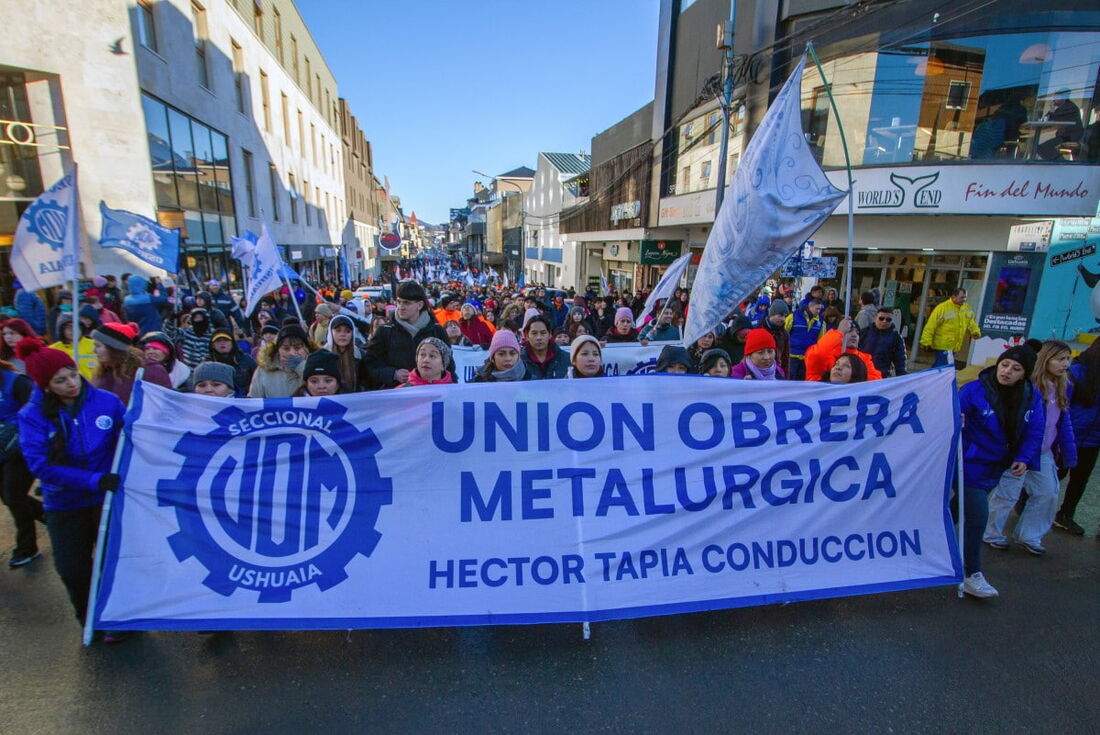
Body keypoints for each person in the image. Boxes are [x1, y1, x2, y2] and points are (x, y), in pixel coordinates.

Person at [15, 338, 124, 628]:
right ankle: (87, 617)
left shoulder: (107, 402)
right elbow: (40, 465)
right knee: (73, 569)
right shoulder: (32, 416)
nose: (71, 384)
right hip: (65, 503)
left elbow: (126, 442)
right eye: (60, 380)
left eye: (73, 374)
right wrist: (92, 480)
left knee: (112, 563)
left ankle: (117, 619)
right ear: (45, 385)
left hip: (106, 499)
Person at [957, 346, 1044, 598]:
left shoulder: (1031, 395)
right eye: (1004, 364)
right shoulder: (974, 390)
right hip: (968, 464)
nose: (1007, 371)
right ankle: (971, 574)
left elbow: (1035, 430)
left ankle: (926, 542)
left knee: (955, 509)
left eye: (1016, 369)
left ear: (1025, 374)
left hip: (996, 466)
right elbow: (951, 423)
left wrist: (1024, 458)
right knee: (977, 517)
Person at [985, 341, 1075, 555]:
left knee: (1048, 493)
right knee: (1007, 494)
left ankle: (1029, 535)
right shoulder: (1029, 386)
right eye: (1060, 359)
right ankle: (990, 532)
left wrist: (1068, 451)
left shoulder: (1063, 386)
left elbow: (1063, 422)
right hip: (1019, 450)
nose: (1065, 364)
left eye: (1067, 359)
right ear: (1046, 359)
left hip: (1043, 451)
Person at [365, 282, 451, 388]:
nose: (401, 307)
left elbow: (449, 365)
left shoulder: (437, 331)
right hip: (395, 398)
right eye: (399, 302)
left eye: (406, 303)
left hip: (431, 395)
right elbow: (369, 365)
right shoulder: (384, 331)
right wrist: (392, 374)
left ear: (419, 305)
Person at [1054, 339, 1100, 534]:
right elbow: (1061, 405)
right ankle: (1026, 502)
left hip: (1094, 438)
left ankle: (1066, 515)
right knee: (1056, 474)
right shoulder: (1076, 372)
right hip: (1070, 434)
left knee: (1080, 479)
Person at [0, 356, 41, 567]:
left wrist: (12, 430)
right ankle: (50, 517)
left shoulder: (16, 381)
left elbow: (35, 411)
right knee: (9, 498)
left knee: (13, 496)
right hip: (2, 451)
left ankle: (27, 548)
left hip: (20, 450)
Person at [91, 322, 172, 405]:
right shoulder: (103, 372)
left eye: (98, 346)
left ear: (113, 349)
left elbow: (165, 405)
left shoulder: (151, 371)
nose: (94, 351)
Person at [804, 318, 882, 382]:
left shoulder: (864, 358)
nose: (854, 335)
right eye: (849, 331)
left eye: (857, 333)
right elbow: (815, 355)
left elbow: (875, 381)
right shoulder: (826, 352)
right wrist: (838, 333)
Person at [249, 324, 316, 398]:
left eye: (297, 348)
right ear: (278, 350)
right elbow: (254, 400)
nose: (292, 353)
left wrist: (302, 367)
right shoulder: (263, 371)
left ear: (307, 349)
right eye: (286, 349)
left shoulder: (319, 366)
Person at [920, 289, 980, 369]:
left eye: (965, 297)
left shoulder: (966, 308)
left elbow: (971, 322)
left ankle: (926, 379)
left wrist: (975, 332)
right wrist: (926, 341)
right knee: (945, 366)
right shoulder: (942, 308)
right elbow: (931, 325)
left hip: (954, 346)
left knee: (941, 366)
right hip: (943, 345)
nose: (964, 300)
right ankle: (925, 379)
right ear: (954, 297)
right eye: (962, 297)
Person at [50, 309, 99, 380]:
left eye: (76, 326)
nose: (73, 330)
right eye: (68, 327)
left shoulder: (94, 344)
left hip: (94, 387)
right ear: (61, 330)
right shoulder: (53, 350)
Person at [206, 329, 257, 396]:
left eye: (226, 340)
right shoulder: (207, 364)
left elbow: (257, 382)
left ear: (232, 343)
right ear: (212, 345)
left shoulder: (246, 360)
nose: (222, 343)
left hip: (245, 401)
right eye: (218, 341)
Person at [785, 299, 826, 380]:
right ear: (809, 307)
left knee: (803, 381)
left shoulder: (821, 323)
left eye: (820, 309)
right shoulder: (793, 317)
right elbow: (784, 333)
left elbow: (821, 341)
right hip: (792, 355)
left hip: (808, 357)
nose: (818, 311)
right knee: (790, 379)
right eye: (816, 309)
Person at [859, 308, 908, 377]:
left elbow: (901, 361)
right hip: (862, 373)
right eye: (881, 318)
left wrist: (902, 379)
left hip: (881, 375)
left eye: (888, 319)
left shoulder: (896, 338)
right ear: (875, 318)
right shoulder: (864, 332)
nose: (884, 321)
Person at [325, 315, 367, 392]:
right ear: (331, 332)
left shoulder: (361, 355)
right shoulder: (321, 356)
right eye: (338, 330)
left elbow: (365, 382)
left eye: (347, 331)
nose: (343, 334)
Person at [521, 315, 569, 380]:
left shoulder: (567, 358)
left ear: (550, 335)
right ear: (527, 336)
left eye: (543, 333)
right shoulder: (520, 362)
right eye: (534, 333)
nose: (539, 337)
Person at [762, 302, 791, 376]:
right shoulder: (759, 329)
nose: (783, 319)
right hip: (759, 371)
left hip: (776, 372)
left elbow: (785, 358)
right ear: (771, 314)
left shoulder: (784, 334)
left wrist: (785, 376)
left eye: (785, 316)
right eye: (780, 315)